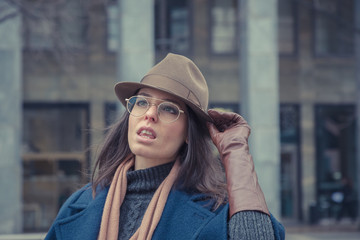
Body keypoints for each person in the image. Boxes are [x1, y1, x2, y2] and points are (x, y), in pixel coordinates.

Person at [45, 53, 285, 240]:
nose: (149, 114)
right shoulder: (81, 203)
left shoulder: (215, 212)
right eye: (142, 102)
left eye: (169, 108)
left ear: (189, 134)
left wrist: (235, 152)